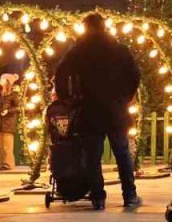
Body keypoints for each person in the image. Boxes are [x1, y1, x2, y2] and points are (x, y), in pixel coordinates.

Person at [53, 12, 143, 210]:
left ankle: (98, 198)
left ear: (86, 27)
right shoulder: (119, 49)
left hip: (89, 108)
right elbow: (135, 75)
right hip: (115, 109)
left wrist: (66, 98)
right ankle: (130, 195)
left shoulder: (79, 49)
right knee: (122, 153)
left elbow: (61, 72)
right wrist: (124, 98)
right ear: (104, 27)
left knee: (93, 157)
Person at [0, 73, 22, 171]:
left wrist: (8, 111)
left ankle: (8, 163)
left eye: (3, 79)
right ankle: (3, 163)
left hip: (8, 122)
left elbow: (19, 107)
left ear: (7, 81)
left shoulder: (13, 94)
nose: (0, 80)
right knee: (1, 144)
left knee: (7, 144)